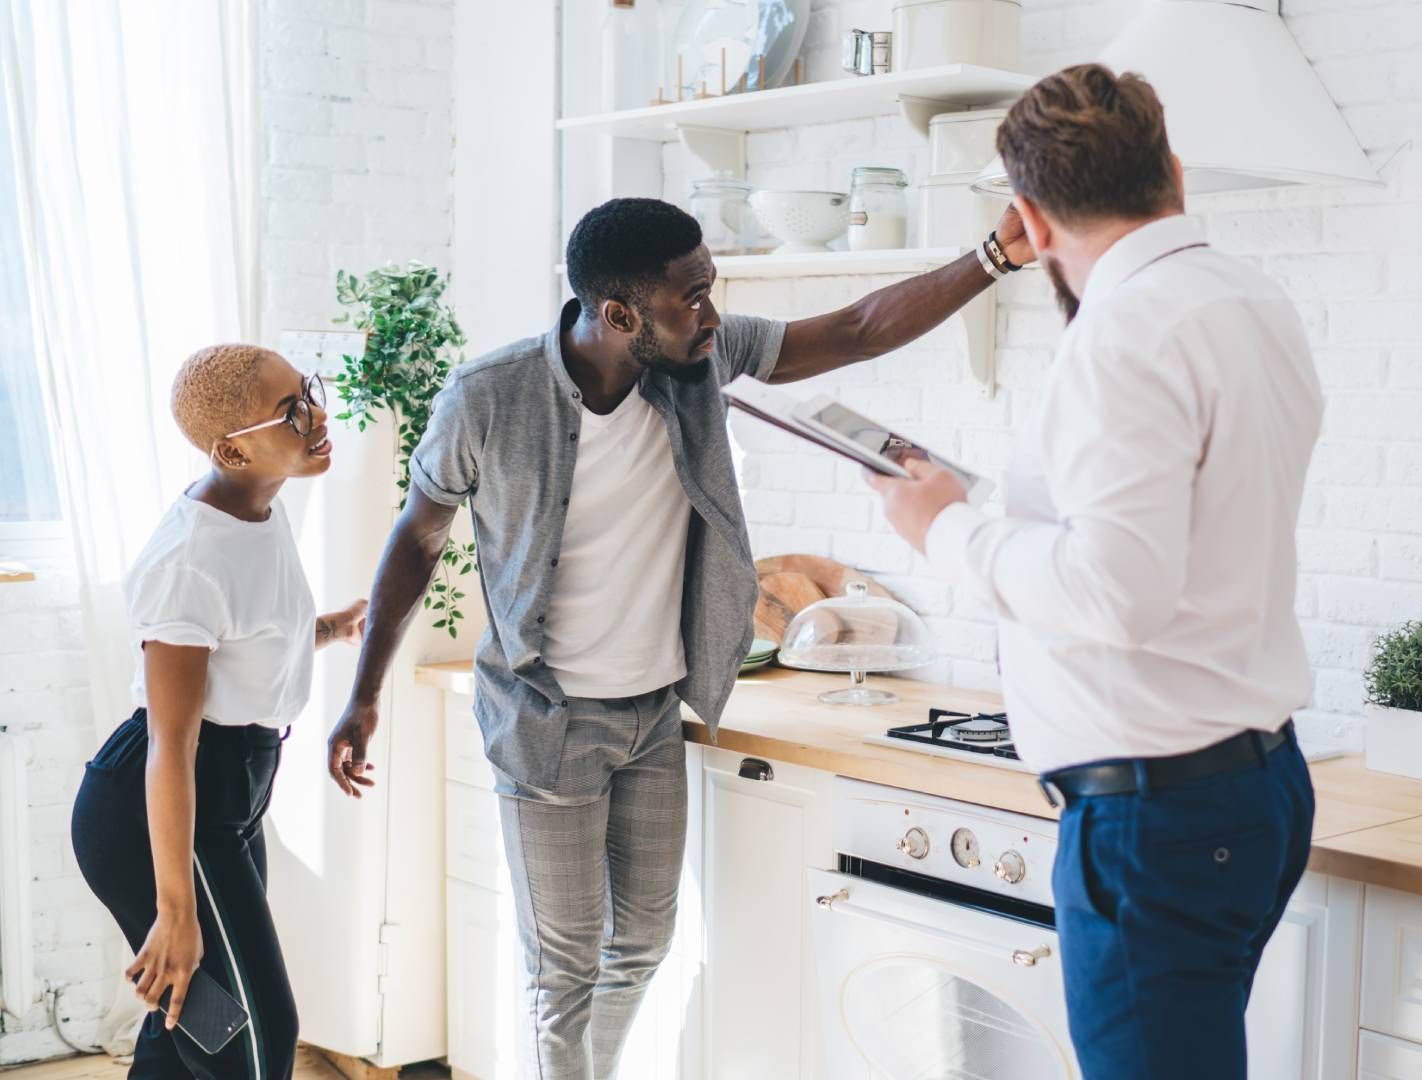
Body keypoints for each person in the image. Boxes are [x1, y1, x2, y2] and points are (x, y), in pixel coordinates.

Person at [326, 196, 1033, 1079]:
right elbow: (416, 539)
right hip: (546, 724)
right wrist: (363, 695)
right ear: (620, 315)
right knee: (564, 972)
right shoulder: (489, 397)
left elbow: (853, 328)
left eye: (712, 287)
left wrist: (994, 258)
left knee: (644, 946)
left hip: (655, 714)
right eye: (690, 295)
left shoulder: (699, 360)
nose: (711, 311)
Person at [868, 63, 1322, 1079]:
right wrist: (983, 507)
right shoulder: (1253, 301)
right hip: (1251, 786)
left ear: (1027, 215)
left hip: (1155, 821)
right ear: (1174, 169)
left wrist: (944, 531)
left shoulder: (1125, 334)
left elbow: (1118, 591)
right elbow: (1173, 539)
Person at [71, 345, 367, 1080]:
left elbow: (247, 639)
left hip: (228, 795)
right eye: (292, 412)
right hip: (167, 801)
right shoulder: (188, 560)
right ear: (233, 449)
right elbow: (171, 742)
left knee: (193, 1025)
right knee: (256, 1038)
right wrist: (177, 913)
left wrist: (331, 629)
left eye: (310, 392)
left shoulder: (256, 506)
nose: (318, 417)